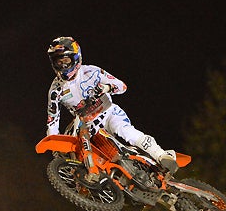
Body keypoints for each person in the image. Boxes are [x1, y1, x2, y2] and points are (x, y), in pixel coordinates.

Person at [45, 36, 179, 173]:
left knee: (125, 131)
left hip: (108, 113)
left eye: (66, 60)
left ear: (75, 57)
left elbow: (122, 86)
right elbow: (52, 120)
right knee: (83, 155)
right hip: (87, 126)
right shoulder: (55, 90)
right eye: (58, 61)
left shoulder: (91, 72)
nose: (62, 65)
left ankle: (161, 155)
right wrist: (55, 145)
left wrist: (107, 87)